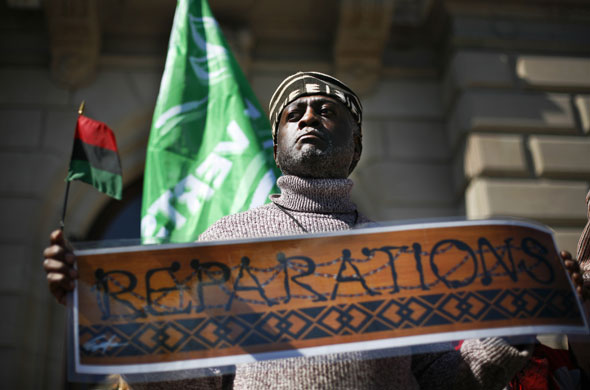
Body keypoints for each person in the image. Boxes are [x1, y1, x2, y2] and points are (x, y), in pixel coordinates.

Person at [44, 72, 586, 389]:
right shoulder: (230, 237)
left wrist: (513, 328)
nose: (307, 117)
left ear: (355, 146)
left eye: (326, 110)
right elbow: (190, 374)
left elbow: (441, 376)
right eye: (294, 112)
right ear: (276, 142)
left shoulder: (399, 256)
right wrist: (93, 302)